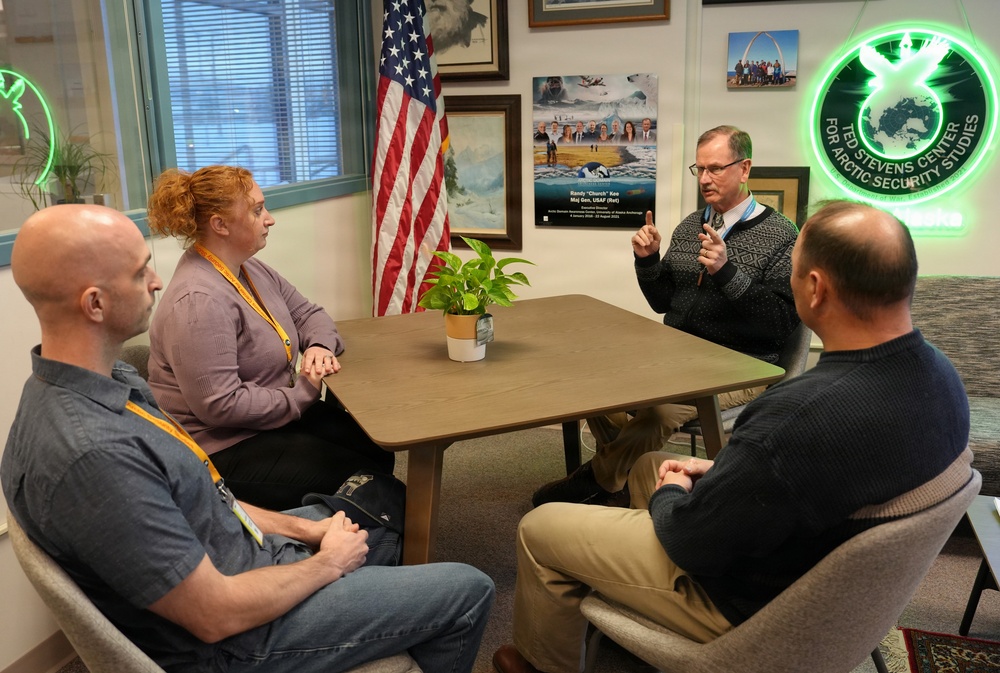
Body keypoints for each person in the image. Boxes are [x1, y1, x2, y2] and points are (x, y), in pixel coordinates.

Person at [2, 204, 495, 673]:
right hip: (239, 639)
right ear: (95, 303)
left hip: (245, 554)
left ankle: (373, 612)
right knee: (469, 589)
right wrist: (326, 565)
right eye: (139, 273)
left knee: (383, 501)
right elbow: (214, 616)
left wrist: (310, 532)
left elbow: (208, 494)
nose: (156, 282)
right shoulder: (93, 454)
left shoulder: (107, 383)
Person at [493, 199, 974, 673]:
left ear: (815, 287)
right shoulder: (939, 374)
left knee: (542, 528)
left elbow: (690, 538)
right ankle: (633, 601)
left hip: (744, 602)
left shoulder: (793, 417)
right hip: (824, 583)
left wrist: (673, 496)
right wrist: (728, 471)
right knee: (646, 464)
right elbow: (830, 472)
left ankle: (540, 664)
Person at [532, 126, 799, 507]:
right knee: (594, 384)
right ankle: (622, 476)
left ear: (744, 169)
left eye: (716, 168)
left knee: (657, 412)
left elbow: (778, 322)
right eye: (700, 169)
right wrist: (648, 260)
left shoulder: (781, 235)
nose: (705, 179)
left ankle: (593, 480)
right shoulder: (692, 225)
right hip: (675, 354)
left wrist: (726, 271)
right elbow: (663, 302)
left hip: (740, 366)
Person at [145, 166, 394, 511]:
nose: (270, 219)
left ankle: (372, 536)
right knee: (365, 476)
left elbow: (309, 315)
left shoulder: (248, 268)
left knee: (376, 447)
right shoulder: (198, 301)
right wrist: (304, 392)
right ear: (220, 225)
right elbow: (221, 405)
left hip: (270, 416)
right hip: (219, 447)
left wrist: (319, 345)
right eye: (257, 210)